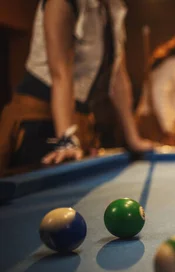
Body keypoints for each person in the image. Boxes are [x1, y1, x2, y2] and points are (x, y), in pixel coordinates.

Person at [0, 0, 154, 175]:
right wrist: (66, 140)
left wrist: (133, 139)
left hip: (77, 120)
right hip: (38, 120)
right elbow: (61, 73)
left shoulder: (114, 6)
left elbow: (118, 77)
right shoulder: (61, 2)